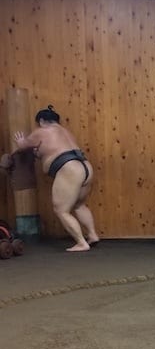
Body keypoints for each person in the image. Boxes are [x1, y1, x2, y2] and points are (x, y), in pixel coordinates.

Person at [13, 105, 99, 252]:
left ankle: (81, 243)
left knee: (61, 210)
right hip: (85, 166)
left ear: (41, 120)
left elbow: (23, 147)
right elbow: (50, 150)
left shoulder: (41, 131)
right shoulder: (67, 132)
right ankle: (93, 235)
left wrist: (20, 141)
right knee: (79, 205)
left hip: (69, 168)